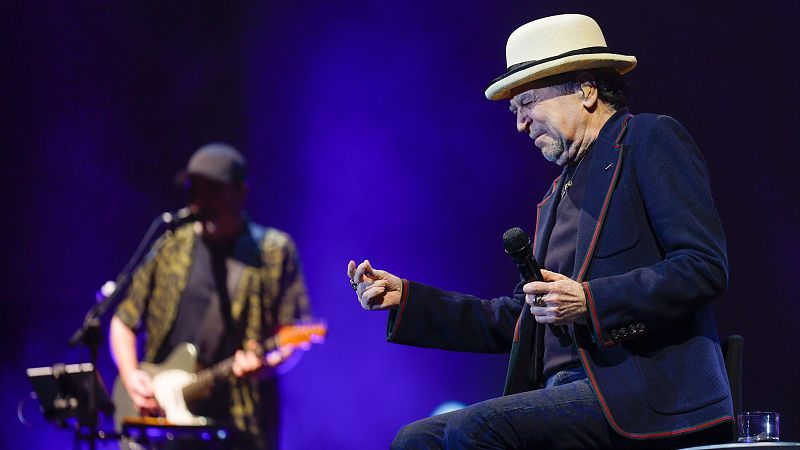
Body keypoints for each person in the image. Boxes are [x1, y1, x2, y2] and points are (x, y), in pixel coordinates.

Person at [348, 14, 733, 449]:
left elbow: (703, 267)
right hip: (562, 393)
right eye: (515, 111)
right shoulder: (555, 195)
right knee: (416, 439)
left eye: (528, 102)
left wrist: (589, 301)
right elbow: (521, 317)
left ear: (586, 89)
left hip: (639, 392)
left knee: (471, 429)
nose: (520, 124)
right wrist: (410, 300)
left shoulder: (648, 140)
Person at [111, 143, 312, 450]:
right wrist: (130, 375)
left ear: (240, 193)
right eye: (196, 190)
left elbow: (292, 334)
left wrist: (264, 366)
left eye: (214, 190)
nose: (202, 201)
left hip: (239, 425)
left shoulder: (273, 251)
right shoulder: (169, 246)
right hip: (162, 420)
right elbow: (123, 320)